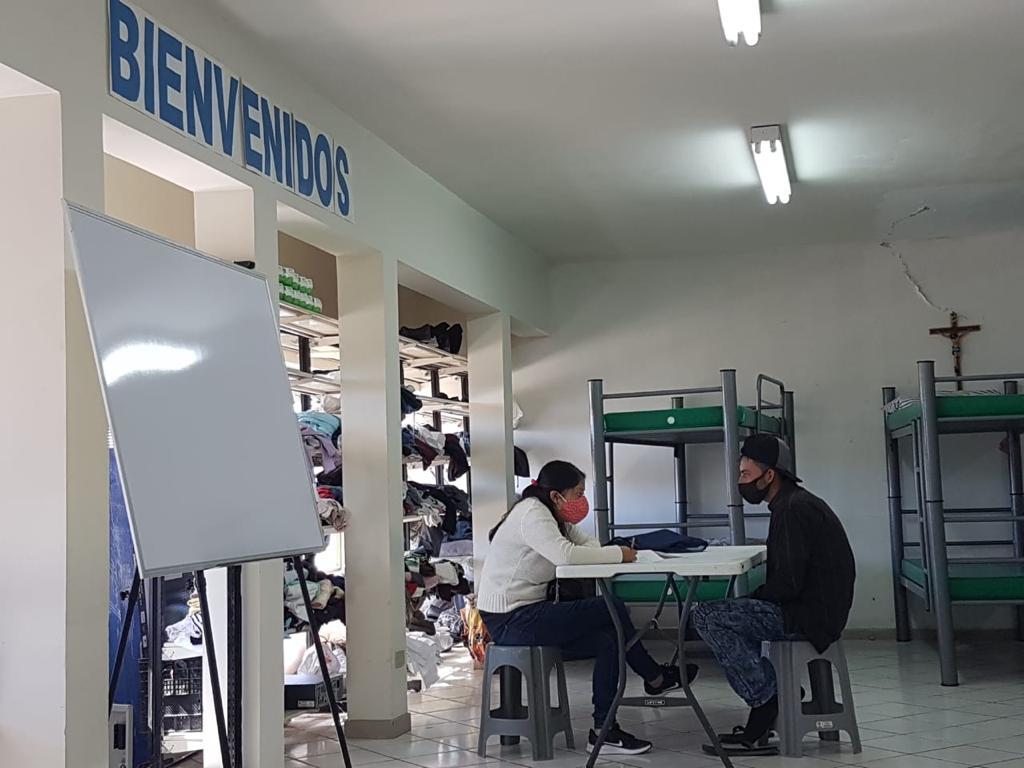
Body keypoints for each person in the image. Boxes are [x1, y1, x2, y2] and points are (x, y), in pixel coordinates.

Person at [476, 460, 696, 756]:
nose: (582, 501)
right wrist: (619, 555)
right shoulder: (533, 514)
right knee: (612, 608)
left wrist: (611, 552)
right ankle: (654, 677)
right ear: (557, 495)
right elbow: (566, 555)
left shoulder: (553, 515)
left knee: (609, 639)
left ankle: (604, 730)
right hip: (511, 619)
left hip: (527, 613)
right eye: (578, 493)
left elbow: (587, 543)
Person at [691, 434, 855, 754]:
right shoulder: (796, 502)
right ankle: (771, 698)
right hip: (815, 610)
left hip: (807, 617)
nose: (740, 481)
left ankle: (769, 701)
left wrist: (754, 598)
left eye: (746, 475)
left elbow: (788, 584)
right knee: (730, 612)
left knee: (706, 615)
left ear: (769, 476)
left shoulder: (792, 511)